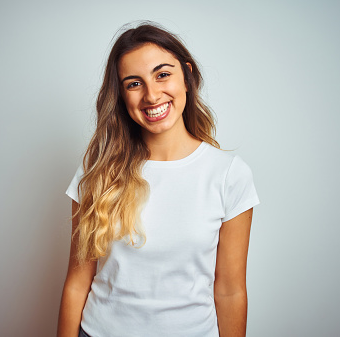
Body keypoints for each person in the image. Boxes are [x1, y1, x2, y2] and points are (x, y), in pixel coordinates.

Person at [58, 22, 259, 337]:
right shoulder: (97, 172)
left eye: (162, 74)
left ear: (187, 76)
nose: (152, 95)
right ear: (121, 95)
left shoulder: (229, 174)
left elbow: (231, 290)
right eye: (134, 83)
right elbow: (76, 282)